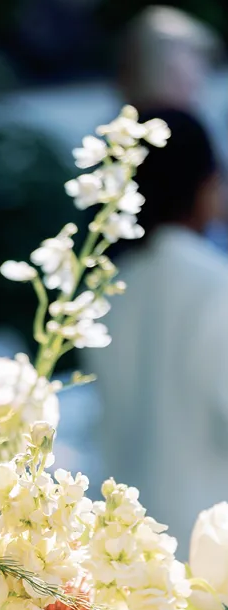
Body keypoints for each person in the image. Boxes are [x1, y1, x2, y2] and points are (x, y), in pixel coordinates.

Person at [94, 108, 228, 543]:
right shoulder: (213, 280)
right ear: (205, 184)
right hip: (212, 544)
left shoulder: (107, 289)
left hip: (129, 546)